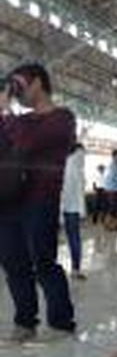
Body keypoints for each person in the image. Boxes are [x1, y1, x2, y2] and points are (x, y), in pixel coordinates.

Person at [0, 63, 77, 341]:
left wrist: (6, 112)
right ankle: (25, 322)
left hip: (40, 199)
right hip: (8, 200)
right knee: (13, 264)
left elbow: (25, 143)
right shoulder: (18, 121)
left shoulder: (62, 118)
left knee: (43, 261)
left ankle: (61, 322)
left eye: (18, 85)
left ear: (37, 83)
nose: (15, 93)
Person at [60, 143, 87, 280]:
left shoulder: (74, 166)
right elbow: (63, 192)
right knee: (74, 239)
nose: (84, 157)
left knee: (74, 239)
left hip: (70, 210)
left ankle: (76, 269)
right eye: (82, 153)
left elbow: (79, 192)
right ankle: (75, 269)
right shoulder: (72, 167)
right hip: (67, 209)